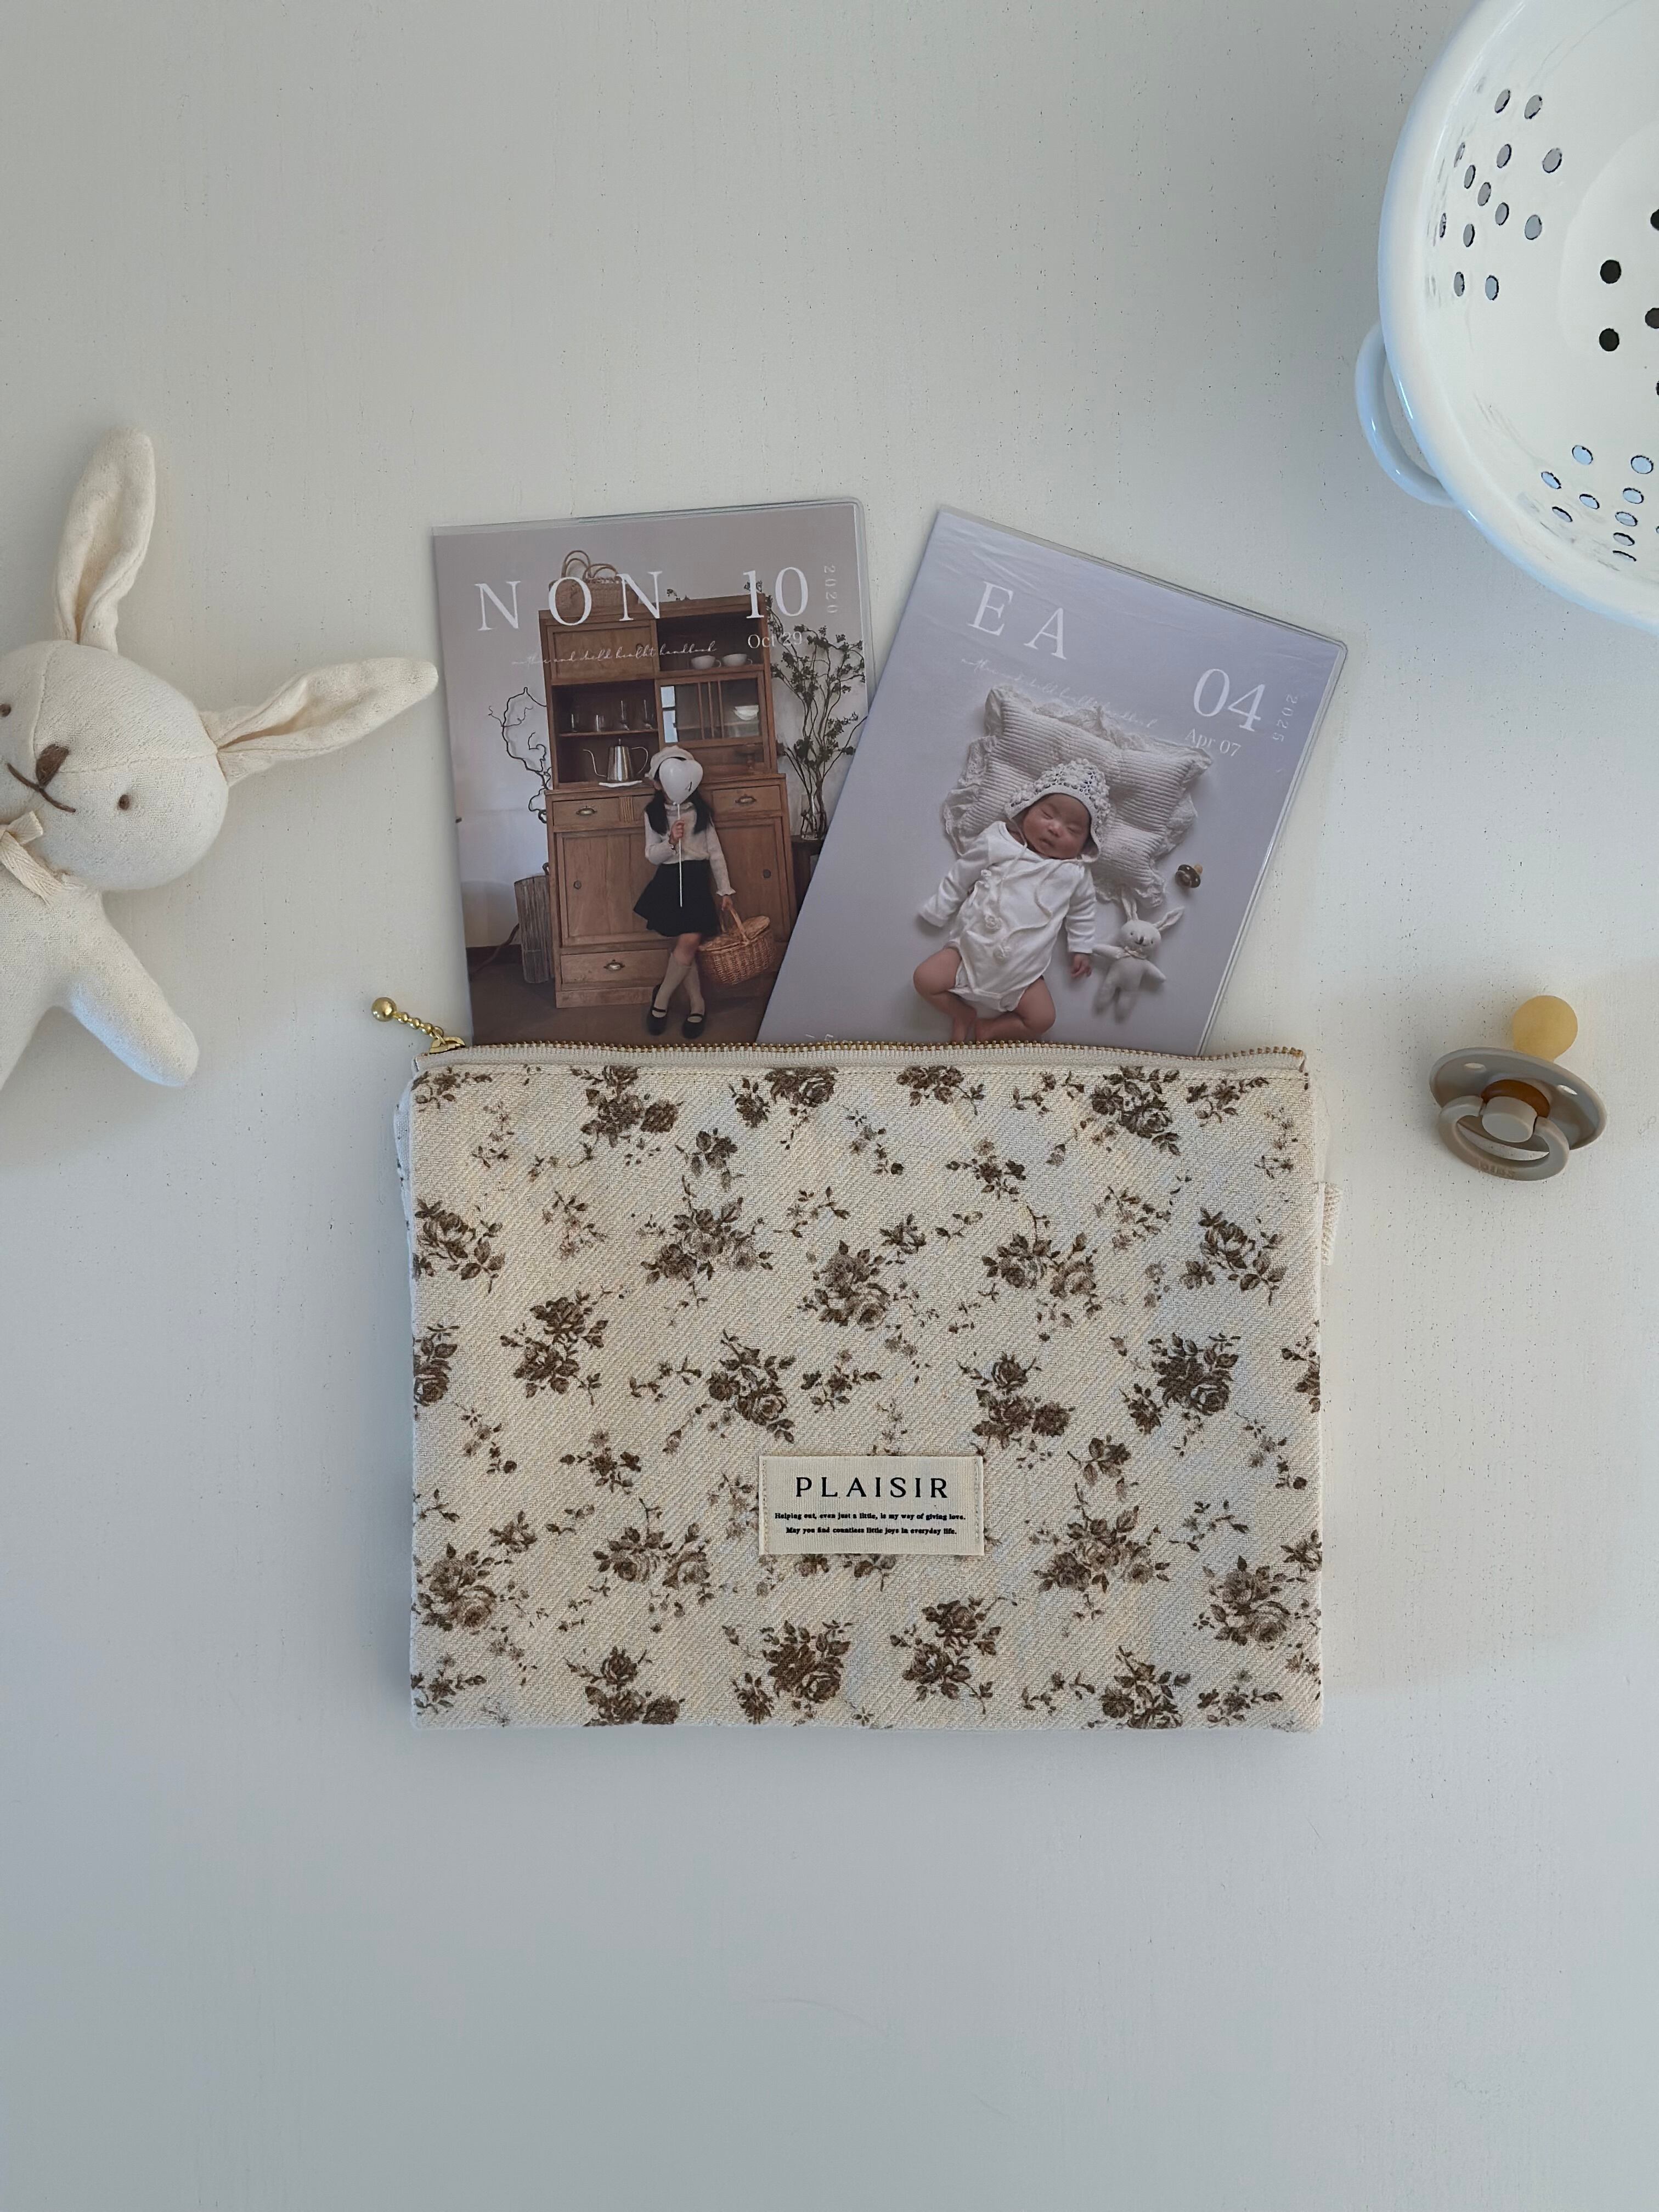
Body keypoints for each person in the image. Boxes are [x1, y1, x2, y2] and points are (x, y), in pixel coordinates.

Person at [913, 765, 1107, 1041]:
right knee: (924, 979)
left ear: (1085, 845)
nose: (1055, 828)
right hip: (969, 953)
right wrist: (940, 908)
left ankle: (990, 1029)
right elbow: (962, 874)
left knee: (1043, 1020)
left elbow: (1083, 912)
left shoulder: (1074, 873)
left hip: (1023, 976)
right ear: (1027, 809)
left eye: (1073, 830)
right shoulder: (1000, 841)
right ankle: (961, 1013)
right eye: (1047, 815)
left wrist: (1081, 948)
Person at [633, 749, 734, 1036]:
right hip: (668, 880)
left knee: (689, 941)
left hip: (695, 880)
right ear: (657, 784)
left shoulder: (700, 812)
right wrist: (671, 842)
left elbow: (715, 852)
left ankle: (662, 999)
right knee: (684, 947)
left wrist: (725, 890)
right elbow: (652, 855)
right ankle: (697, 1004)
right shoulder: (653, 814)